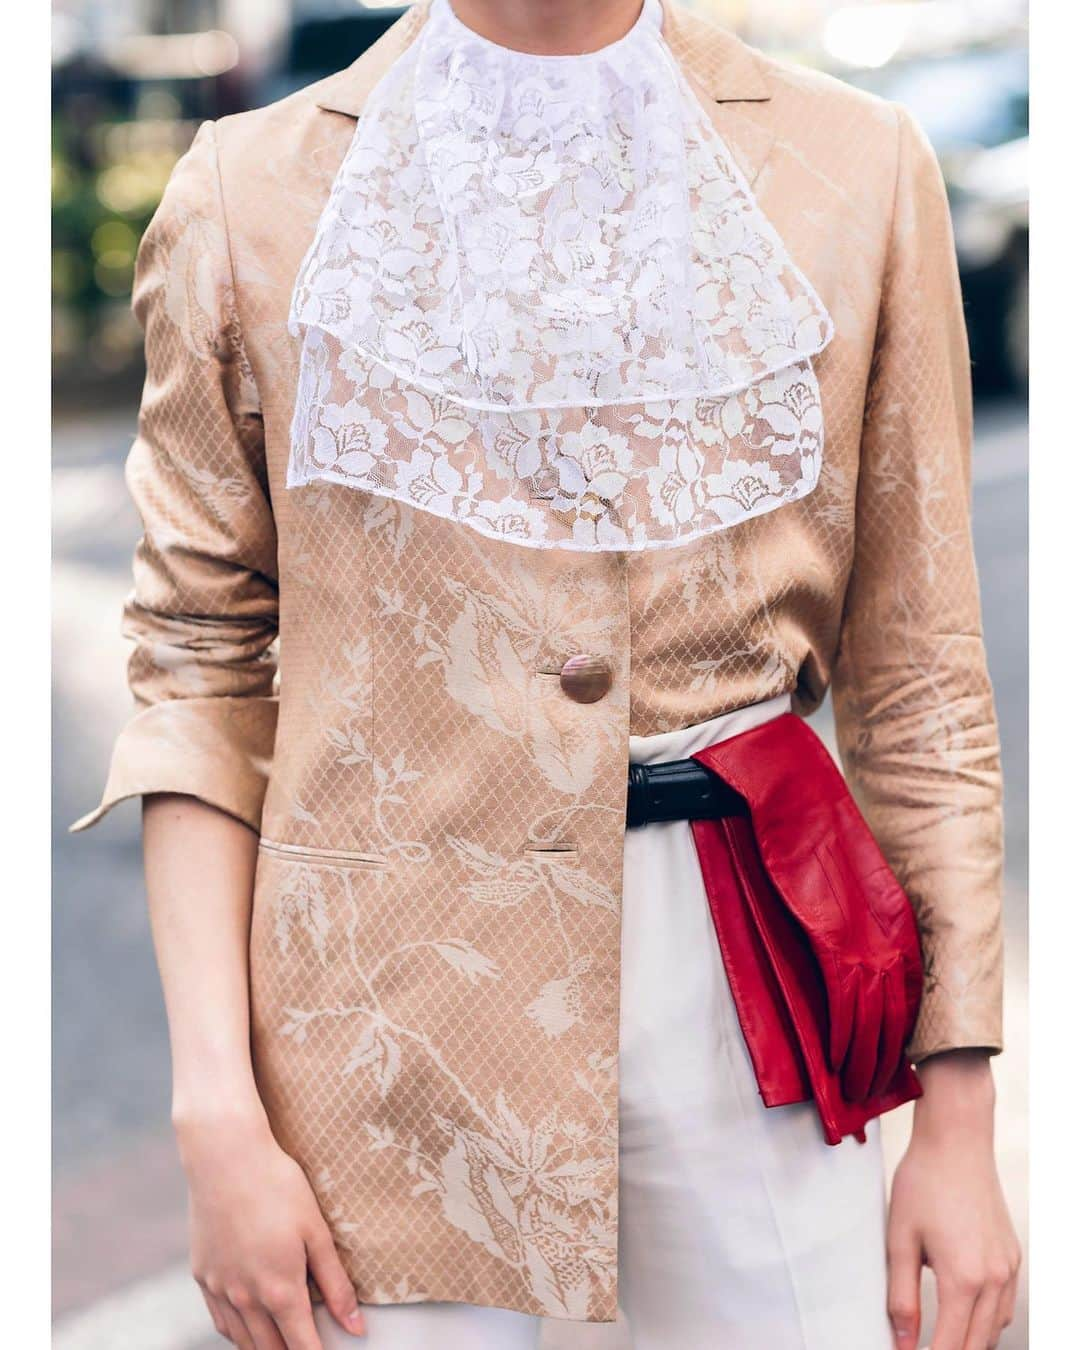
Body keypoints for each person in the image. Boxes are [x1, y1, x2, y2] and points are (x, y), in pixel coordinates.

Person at [74, 1, 1021, 1346]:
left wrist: (961, 1116)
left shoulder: (858, 165)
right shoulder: (246, 189)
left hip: (752, 966)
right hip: (377, 1008)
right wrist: (216, 1112)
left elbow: (921, 674)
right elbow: (196, 671)